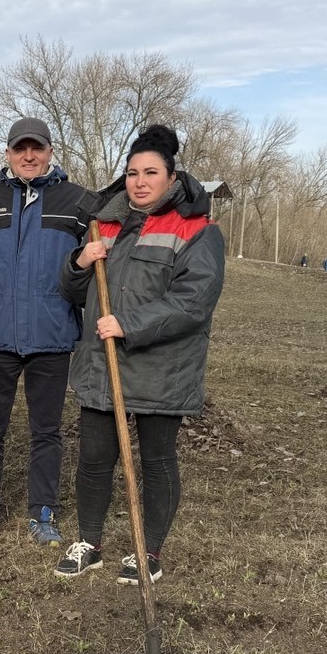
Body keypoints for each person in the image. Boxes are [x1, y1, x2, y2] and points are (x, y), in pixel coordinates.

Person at [53, 124, 225, 585]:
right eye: (132, 172)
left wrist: (130, 325)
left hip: (161, 367)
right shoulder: (103, 224)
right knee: (93, 457)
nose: (140, 181)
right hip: (100, 365)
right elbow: (72, 292)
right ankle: (89, 542)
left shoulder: (197, 230)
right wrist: (79, 263)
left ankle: (148, 551)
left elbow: (194, 301)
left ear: (172, 177)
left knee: (157, 459)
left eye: (151, 172)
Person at [0, 116, 94, 548]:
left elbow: (100, 261)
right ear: (9, 153)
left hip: (51, 337)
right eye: (20, 149)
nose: (29, 156)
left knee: (47, 430)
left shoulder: (78, 202)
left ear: (51, 151)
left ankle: (43, 511)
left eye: (37, 148)